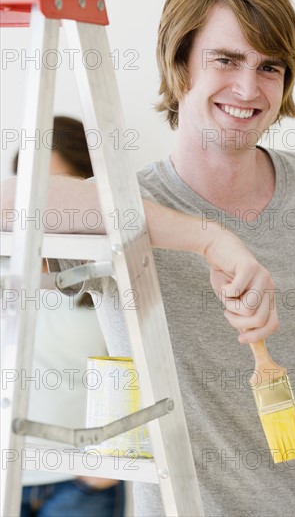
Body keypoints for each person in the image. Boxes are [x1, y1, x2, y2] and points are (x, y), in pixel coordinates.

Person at [1, 0, 295, 515]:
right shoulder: (124, 208)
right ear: (179, 67)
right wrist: (209, 238)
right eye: (226, 60)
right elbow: (13, 200)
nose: (249, 89)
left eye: (269, 67)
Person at [14, 117, 126, 517]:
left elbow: (145, 371)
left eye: (55, 187)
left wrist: (106, 467)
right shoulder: (8, 272)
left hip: (81, 482)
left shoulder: (111, 275)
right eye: (26, 186)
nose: (38, 201)